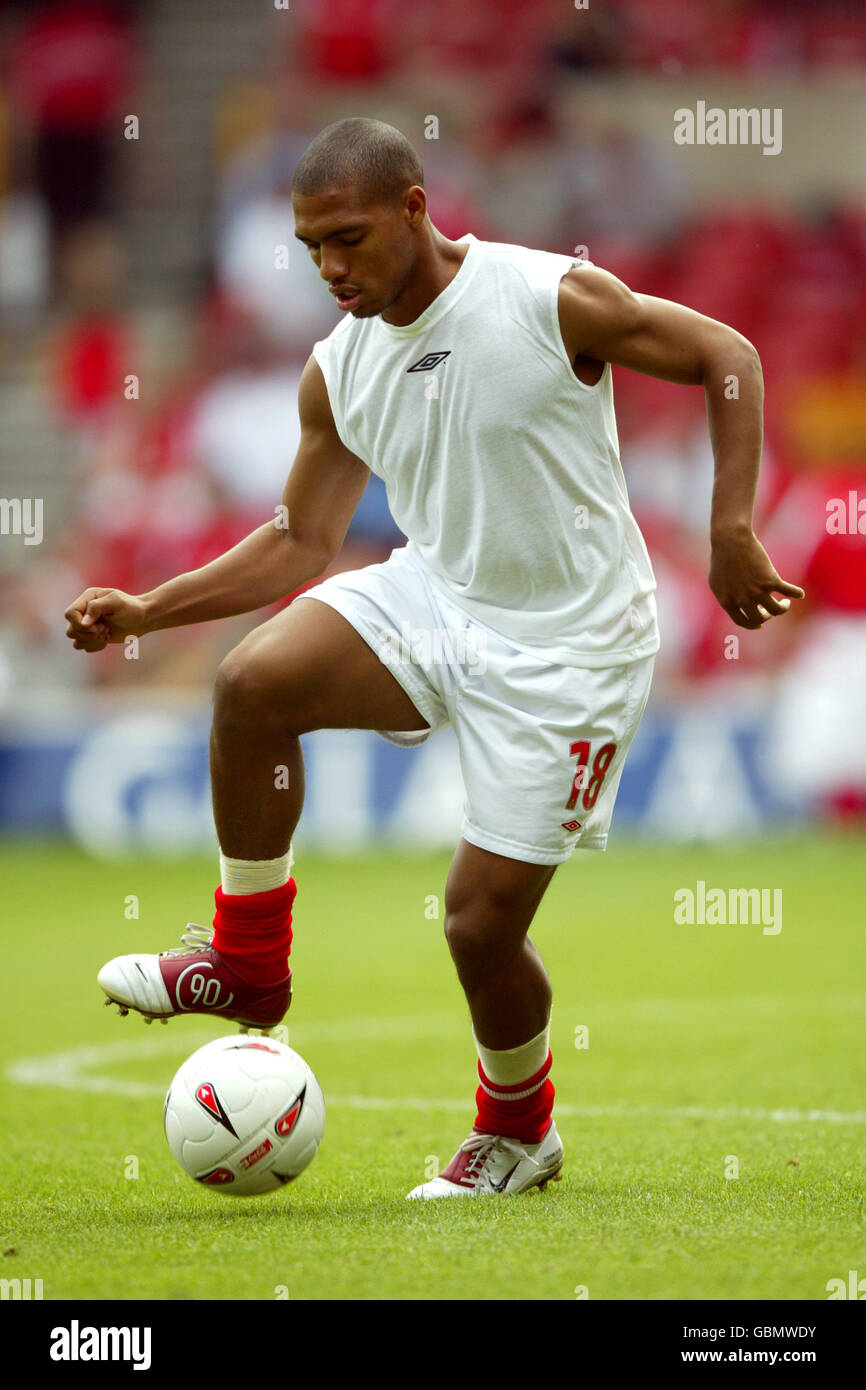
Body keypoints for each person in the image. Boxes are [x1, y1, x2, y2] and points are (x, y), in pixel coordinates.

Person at [64, 118, 804, 1199]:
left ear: (415, 209)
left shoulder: (546, 298)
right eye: (310, 245)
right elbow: (298, 540)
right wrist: (147, 610)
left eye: (348, 238)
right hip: (438, 594)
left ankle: (518, 1129)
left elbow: (723, 356)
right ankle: (246, 961)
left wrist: (728, 525)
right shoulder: (340, 367)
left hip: (572, 646)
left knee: (476, 926)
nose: (328, 268)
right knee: (252, 685)